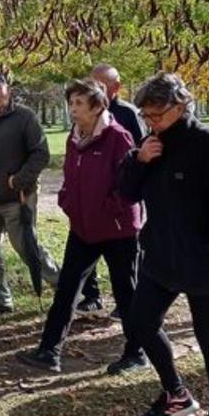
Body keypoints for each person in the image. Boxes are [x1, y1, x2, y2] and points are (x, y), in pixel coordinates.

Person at [120, 73, 209, 416]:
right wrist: (140, 160)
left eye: (157, 115)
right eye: (145, 116)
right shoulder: (151, 144)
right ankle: (176, 394)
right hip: (160, 256)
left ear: (180, 105)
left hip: (204, 260)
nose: (151, 122)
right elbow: (127, 192)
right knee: (140, 324)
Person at [17, 79, 145, 375]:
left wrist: (104, 209)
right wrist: (67, 201)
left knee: (126, 293)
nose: (73, 109)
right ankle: (49, 351)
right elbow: (70, 179)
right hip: (83, 229)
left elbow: (129, 188)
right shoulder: (73, 138)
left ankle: (137, 352)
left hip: (118, 231)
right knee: (67, 290)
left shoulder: (118, 137)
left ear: (98, 106)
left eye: (79, 103)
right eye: (70, 103)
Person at [0, 70, 60, 318]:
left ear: (8, 89)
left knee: (27, 248)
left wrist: (19, 180)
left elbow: (40, 154)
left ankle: (63, 287)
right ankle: (0, 299)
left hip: (17, 199)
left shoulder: (24, 117)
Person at [78, 63, 146, 316]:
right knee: (84, 246)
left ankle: (127, 302)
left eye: (102, 85)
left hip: (121, 196)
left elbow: (140, 152)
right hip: (90, 198)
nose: (95, 89)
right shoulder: (84, 113)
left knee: (125, 253)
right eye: (91, 83)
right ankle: (92, 296)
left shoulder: (128, 114)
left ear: (116, 87)